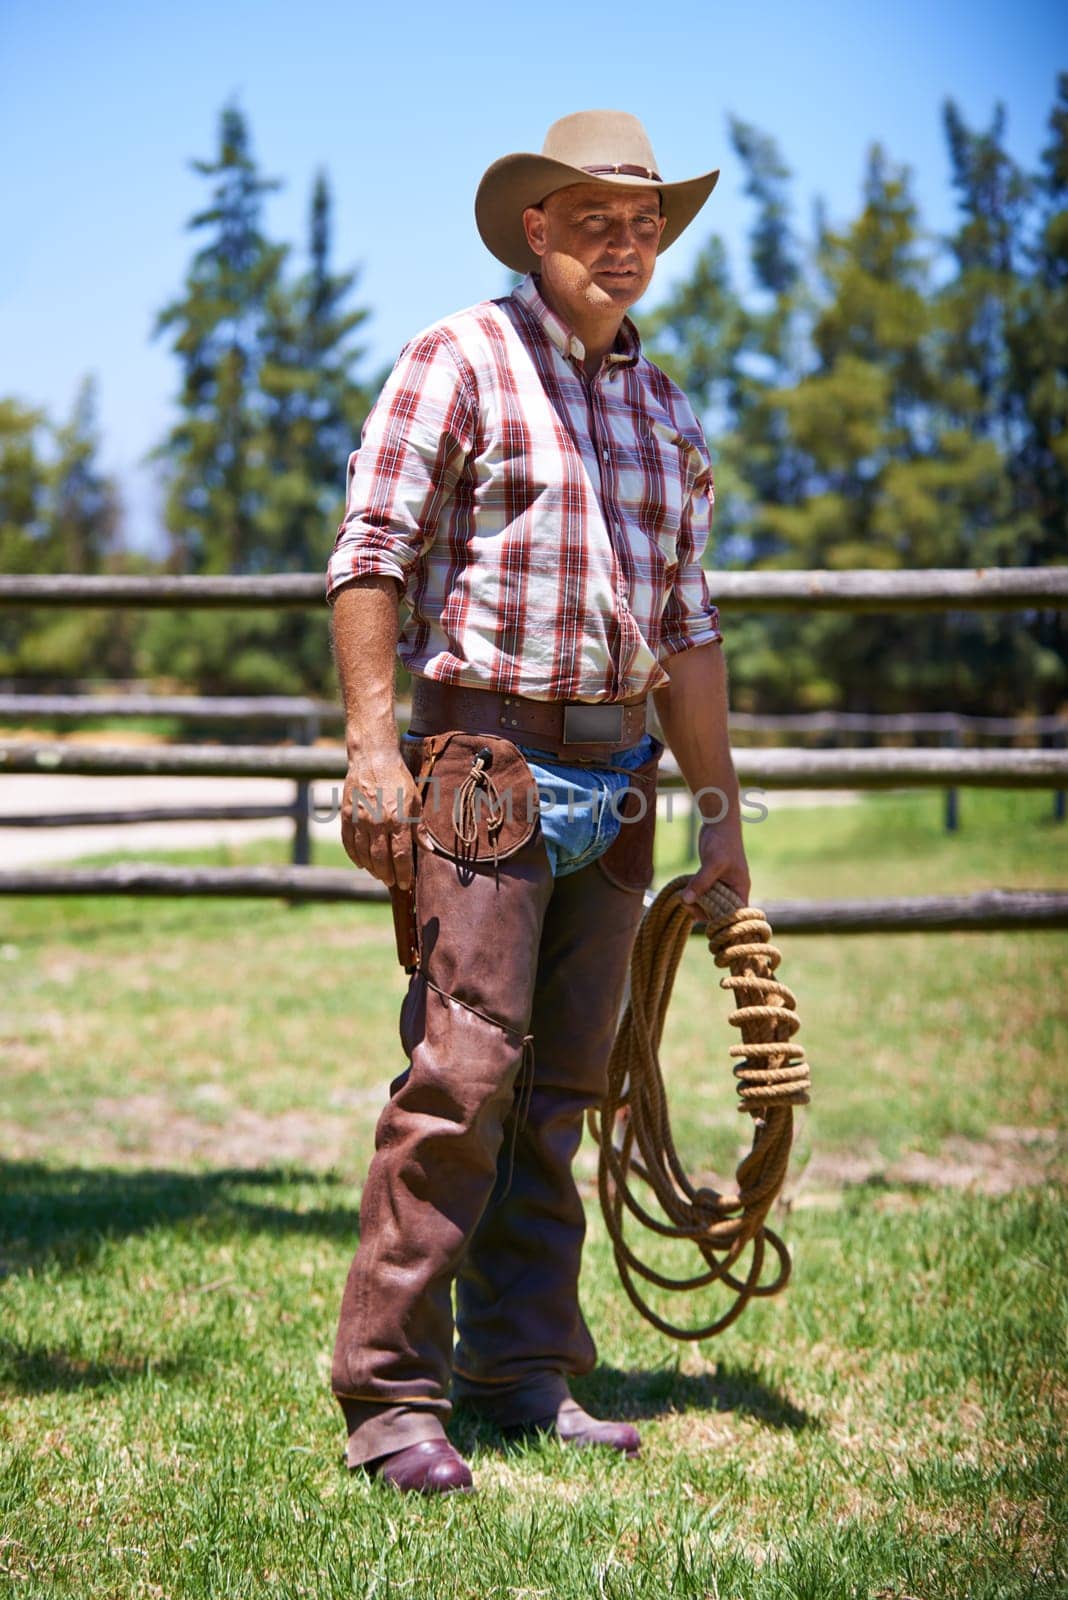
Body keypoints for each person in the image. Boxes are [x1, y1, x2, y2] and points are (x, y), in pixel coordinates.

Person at [325, 110, 751, 1496]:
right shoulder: (459, 361)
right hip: (485, 768)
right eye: (597, 222)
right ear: (538, 229)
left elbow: (686, 627)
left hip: (618, 779)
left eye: (646, 227)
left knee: (564, 1088)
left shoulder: (668, 412)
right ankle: (392, 1394)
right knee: (462, 1078)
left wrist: (722, 806)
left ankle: (519, 1370)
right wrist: (377, 747)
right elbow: (371, 553)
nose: (625, 247)